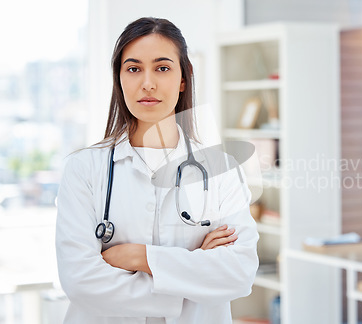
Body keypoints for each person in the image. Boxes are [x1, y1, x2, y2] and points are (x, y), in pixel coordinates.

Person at [56, 17, 259, 324]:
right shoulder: (83, 169)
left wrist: (141, 257)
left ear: (183, 78)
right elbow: (81, 281)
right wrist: (193, 273)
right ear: (119, 78)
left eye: (162, 68)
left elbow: (239, 272)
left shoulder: (221, 170)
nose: (147, 82)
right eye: (134, 68)